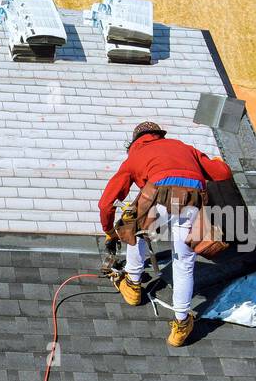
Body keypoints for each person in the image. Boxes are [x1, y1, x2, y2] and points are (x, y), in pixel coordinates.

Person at [98, 121, 233, 347]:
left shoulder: (135, 156)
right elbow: (222, 173)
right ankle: (181, 324)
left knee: (134, 227)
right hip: (192, 202)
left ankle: (132, 284)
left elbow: (106, 204)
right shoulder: (183, 147)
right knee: (184, 263)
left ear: (134, 142)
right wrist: (217, 161)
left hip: (159, 198)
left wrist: (110, 231)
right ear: (159, 136)